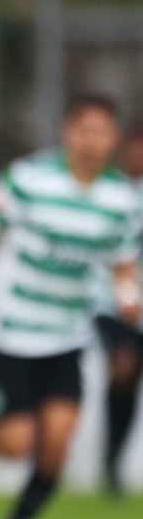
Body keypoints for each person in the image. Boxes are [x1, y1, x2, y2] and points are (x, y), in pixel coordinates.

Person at [0, 93, 141, 519]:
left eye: (103, 132)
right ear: (67, 132)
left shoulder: (122, 200)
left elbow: (124, 262)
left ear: (113, 139)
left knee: (57, 443)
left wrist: (127, 292)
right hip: (14, 330)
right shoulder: (28, 180)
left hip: (67, 335)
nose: (93, 140)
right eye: (85, 129)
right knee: (15, 446)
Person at [92, 125, 143, 496]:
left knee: (129, 384)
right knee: (122, 369)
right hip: (111, 305)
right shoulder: (107, 191)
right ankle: (110, 462)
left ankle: (114, 460)